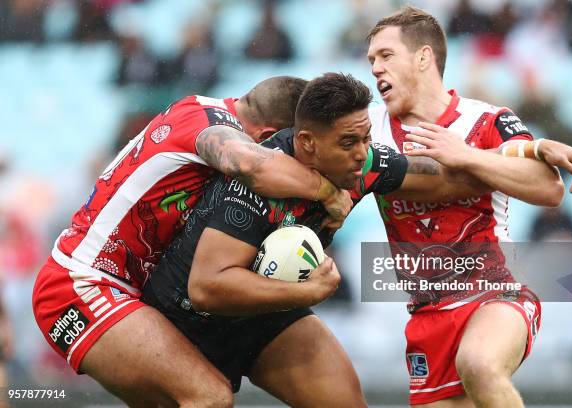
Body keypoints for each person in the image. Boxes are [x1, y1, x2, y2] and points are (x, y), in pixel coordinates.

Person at [141, 72, 566, 406]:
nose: (364, 151)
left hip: (259, 316)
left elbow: (449, 180)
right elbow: (207, 286)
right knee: (210, 399)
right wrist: (307, 290)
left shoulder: (362, 163)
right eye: (349, 142)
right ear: (306, 143)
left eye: (366, 136)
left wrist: (530, 149)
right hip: (182, 321)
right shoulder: (251, 185)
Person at [31, 76, 355, 407]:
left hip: (150, 294)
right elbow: (248, 164)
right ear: (271, 138)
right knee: (207, 398)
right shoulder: (208, 122)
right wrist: (326, 190)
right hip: (82, 285)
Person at [366, 7, 572, 407]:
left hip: (495, 296)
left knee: (480, 364)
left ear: (423, 57)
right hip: (427, 316)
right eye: (371, 61)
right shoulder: (369, 133)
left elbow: (549, 188)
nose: (375, 69)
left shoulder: (487, 120)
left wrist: (467, 156)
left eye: (386, 56)